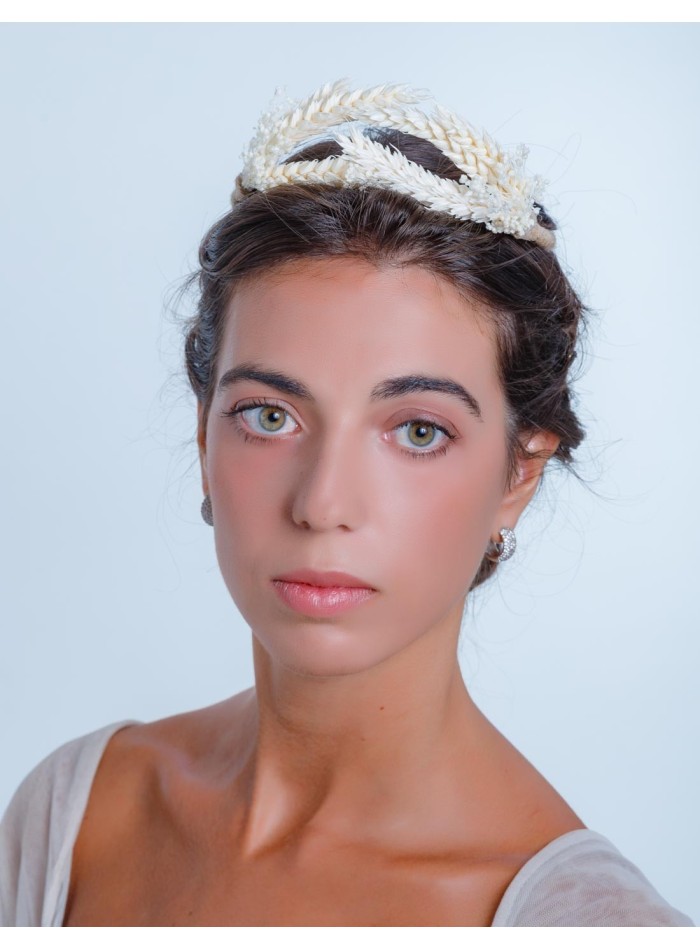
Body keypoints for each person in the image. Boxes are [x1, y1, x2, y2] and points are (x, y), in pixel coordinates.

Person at [0, 79, 694, 928]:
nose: (322, 504)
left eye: (418, 431)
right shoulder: (77, 816)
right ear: (204, 438)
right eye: (270, 416)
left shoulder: (586, 925)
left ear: (520, 474)